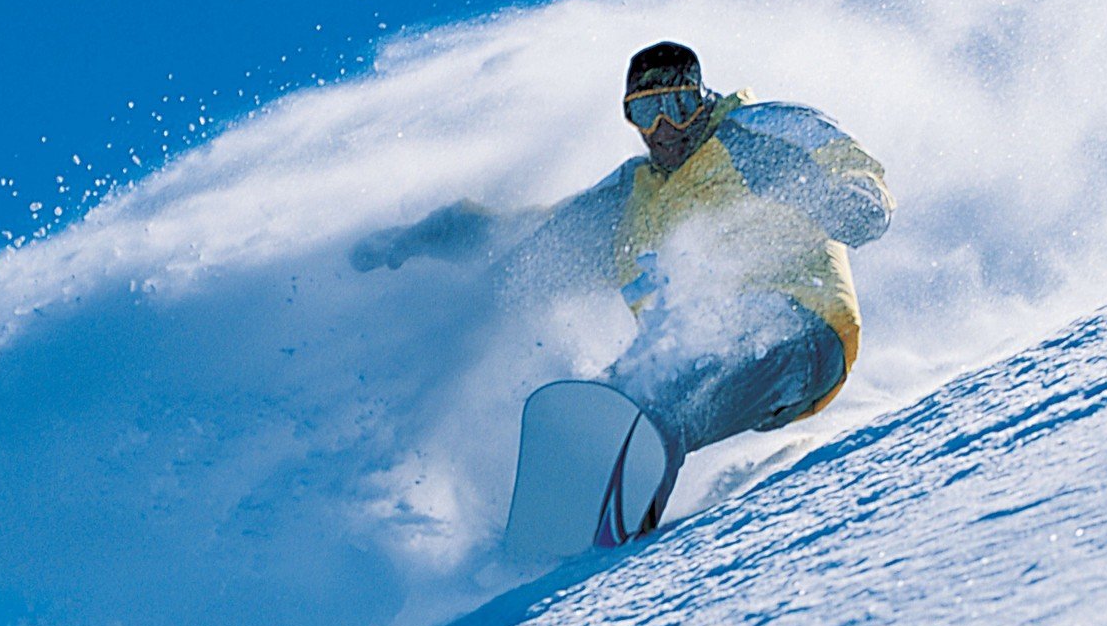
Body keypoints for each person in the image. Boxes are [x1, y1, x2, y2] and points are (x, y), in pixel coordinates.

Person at [352, 41, 892, 466]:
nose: (663, 130)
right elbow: (533, 243)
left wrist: (856, 198)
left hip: (802, 331)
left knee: (668, 390)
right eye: (645, 113)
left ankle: (633, 453)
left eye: (677, 107)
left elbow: (839, 157)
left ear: (700, 98)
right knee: (605, 405)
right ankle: (575, 528)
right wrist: (438, 235)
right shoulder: (629, 200)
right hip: (690, 356)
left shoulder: (749, 134)